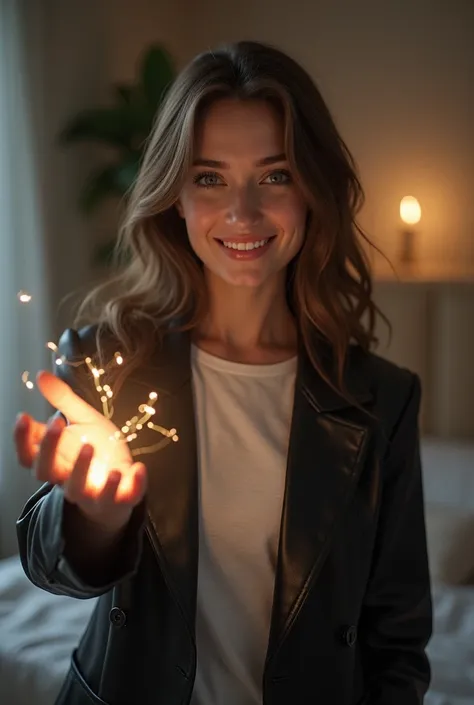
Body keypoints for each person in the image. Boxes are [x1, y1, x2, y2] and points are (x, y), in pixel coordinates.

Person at [14, 40, 432, 705]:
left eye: (275, 174)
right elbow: (46, 566)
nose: (243, 211)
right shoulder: (107, 358)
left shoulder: (382, 400)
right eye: (209, 177)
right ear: (175, 196)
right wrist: (93, 515)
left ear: (313, 191)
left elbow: (398, 640)